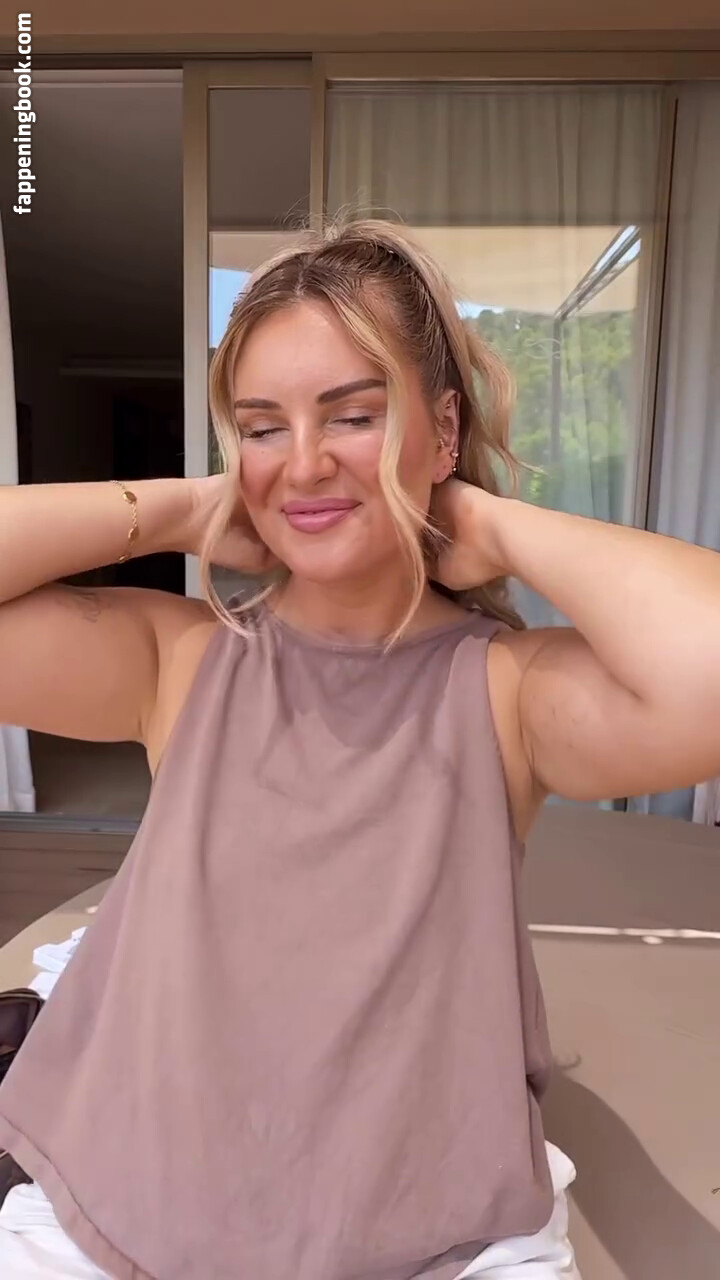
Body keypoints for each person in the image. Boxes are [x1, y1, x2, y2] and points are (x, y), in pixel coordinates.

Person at [0, 221, 718, 1280]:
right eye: (263, 427)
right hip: (125, 1195)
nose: (304, 463)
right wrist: (184, 507)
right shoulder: (185, 659)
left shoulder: (503, 688)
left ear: (441, 429)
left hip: (427, 1223)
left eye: (354, 414)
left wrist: (489, 522)